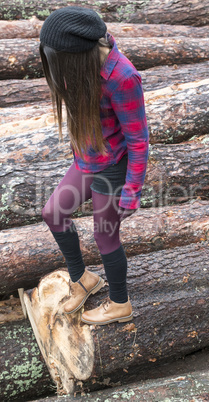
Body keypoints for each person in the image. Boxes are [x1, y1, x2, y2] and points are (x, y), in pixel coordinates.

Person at [39, 7, 149, 325]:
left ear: (77, 54)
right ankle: (84, 279)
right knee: (53, 212)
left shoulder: (122, 77)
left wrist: (132, 190)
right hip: (88, 158)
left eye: (58, 60)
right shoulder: (81, 66)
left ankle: (119, 303)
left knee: (105, 236)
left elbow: (139, 140)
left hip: (113, 166)